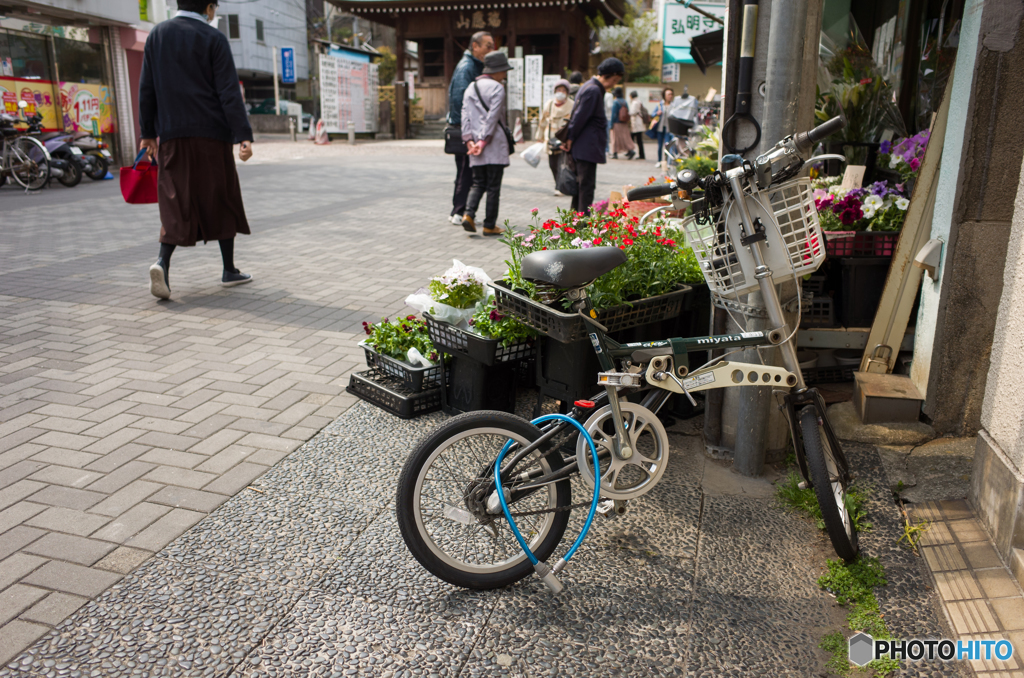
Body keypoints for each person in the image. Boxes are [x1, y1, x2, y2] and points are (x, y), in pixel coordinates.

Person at [139, 0, 253, 301]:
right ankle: (229, 269)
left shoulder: (157, 35)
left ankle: (162, 262)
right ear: (209, 8)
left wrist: (148, 134)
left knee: (176, 198)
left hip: (172, 135)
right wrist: (242, 135)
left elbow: (146, 87)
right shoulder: (213, 38)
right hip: (211, 136)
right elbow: (228, 91)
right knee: (221, 195)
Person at [562, 57, 625, 214]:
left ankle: (574, 221)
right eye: (615, 80)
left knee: (581, 186)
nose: (613, 85)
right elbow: (579, 117)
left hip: (584, 145)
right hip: (586, 146)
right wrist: (569, 137)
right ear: (608, 75)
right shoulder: (594, 90)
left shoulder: (589, 87)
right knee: (586, 186)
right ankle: (582, 224)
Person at [460, 51, 513, 236]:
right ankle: (489, 225)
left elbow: (465, 116)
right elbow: (492, 118)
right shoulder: (497, 88)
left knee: (477, 183)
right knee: (493, 187)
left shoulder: (470, 87)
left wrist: (470, 142)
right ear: (497, 71)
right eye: (504, 70)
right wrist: (482, 142)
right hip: (493, 144)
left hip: (475, 146)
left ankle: (468, 214)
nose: (505, 74)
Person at [446, 31, 495, 226]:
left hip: (467, 128)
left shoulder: (473, 65)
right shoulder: (466, 67)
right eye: (487, 46)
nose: (490, 50)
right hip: (465, 129)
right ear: (475, 46)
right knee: (467, 172)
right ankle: (459, 211)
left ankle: (459, 210)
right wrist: (469, 133)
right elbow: (461, 102)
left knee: (466, 171)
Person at [537, 79, 573, 195]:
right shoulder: (550, 104)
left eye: (563, 90)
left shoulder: (571, 105)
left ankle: (561, 187)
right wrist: (540, 136)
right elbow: (542, 121)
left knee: (562, 164)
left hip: (564, 138)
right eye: (558, 90)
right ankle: (558, 185)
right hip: (551, 138)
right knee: (552, 164)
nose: (561, 92)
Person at [651, 87, 684, 166]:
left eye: (671, 94)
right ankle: (659, 161)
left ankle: (668, 162)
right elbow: (652, 114)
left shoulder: (674, 105)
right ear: (664, 95)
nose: (670, 96)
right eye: (668, 94)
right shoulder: (660, 104)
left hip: (669, 129)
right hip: (660, 128)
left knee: (669, 145)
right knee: (660, 146)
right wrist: (657, 113)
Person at [609, 87, 636, 160]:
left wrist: (611, 124)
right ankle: (630, 150)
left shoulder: (615, 102)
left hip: (617, 123)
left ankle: (614, 153)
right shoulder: (624, 101)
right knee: (625, 138)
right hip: (624, 123)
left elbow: (613, 114)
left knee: (615, 138)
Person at [628, 90, 647, 160]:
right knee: (638, 140)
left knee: (633, 139)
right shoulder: (638, 101)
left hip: (636, 124)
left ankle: (631, 151)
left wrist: (628, 113)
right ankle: (639, 154)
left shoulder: (635, 102)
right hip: (639, 124)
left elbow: (632, 112)